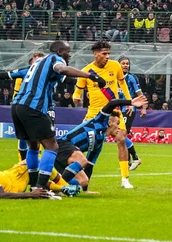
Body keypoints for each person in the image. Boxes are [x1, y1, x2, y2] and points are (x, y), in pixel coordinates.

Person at [10, 40, 106, 193]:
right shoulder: (55, 58)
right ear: (60, 51)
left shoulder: (38, 62)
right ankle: (41, 188)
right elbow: (62, 70)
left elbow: (63, 77)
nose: (70, 55)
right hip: (34, 106)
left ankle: (34, 185)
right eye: (68, 51)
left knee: (33, 147)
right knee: (52, 146)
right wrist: (91, 76)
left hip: (17, 106)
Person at [73, 41, 134, 189]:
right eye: (104, 53)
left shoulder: (115, 66)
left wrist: (129, 102)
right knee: (80, 147)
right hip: (94, 114)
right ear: (95, 54)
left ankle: (125, 179)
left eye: (108, 53)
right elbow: (78, 89)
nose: (107, 56)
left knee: (121, 139)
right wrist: (76, 96)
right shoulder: (86, 71)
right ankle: (73, 176)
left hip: (114, 112)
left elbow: (122, 84)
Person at [56, 97, 147, 192]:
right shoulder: (99, 120)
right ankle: (58, 187)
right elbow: (112, 103)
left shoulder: (99, 143)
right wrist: (130, 102)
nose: (119, 127)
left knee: (84, 181)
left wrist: (86, 191)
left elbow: (90, 165)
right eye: (118, 123)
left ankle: (55, 184)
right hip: (61, 145)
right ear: (109, 122)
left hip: (67, 157)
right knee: (82, 160)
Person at [118, 56, 147, 171]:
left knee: (121, 135)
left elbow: (139, 93)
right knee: (120, 137)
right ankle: (128, 163)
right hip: (118, 109)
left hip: (129, 109)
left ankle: (135, 158)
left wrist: (143, 107)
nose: (126, 65)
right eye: (123, 63)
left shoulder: (131, 78)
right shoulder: (115, 77)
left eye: (127, 64)